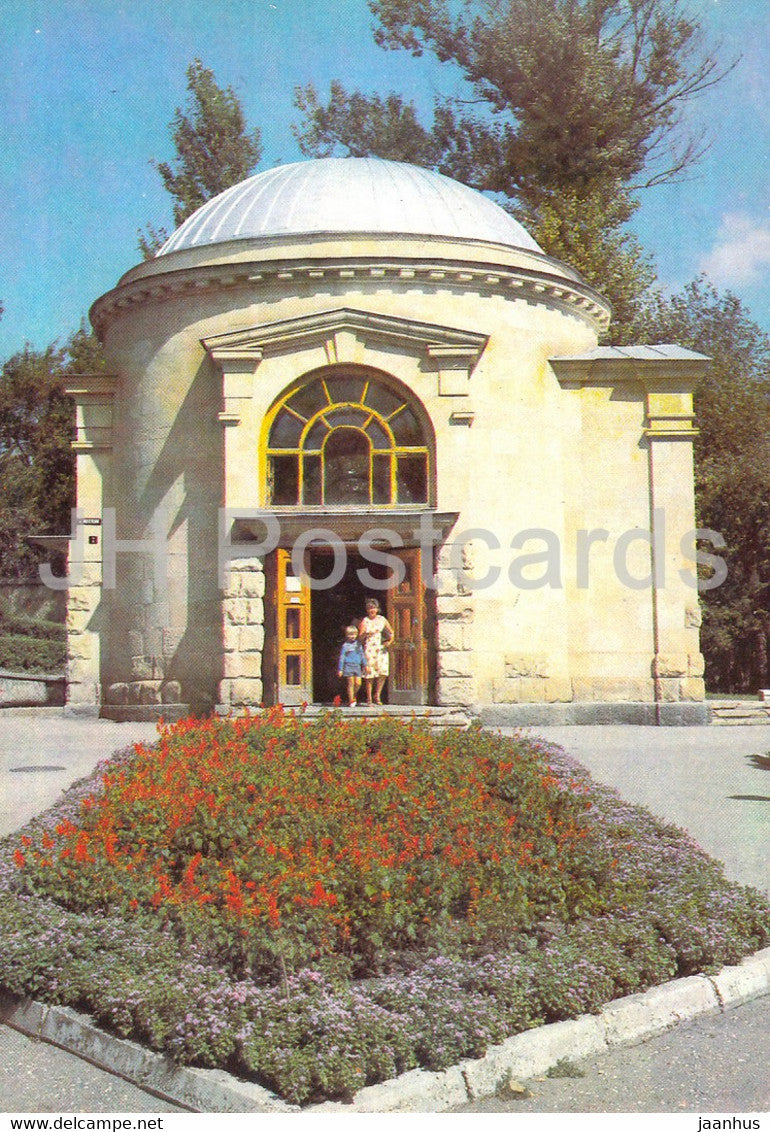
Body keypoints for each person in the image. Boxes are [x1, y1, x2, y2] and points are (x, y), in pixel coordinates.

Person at [358, 598, 393, 705]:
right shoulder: (365, 620)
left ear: (377, 609)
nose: (372, 610)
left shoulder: (382, 619)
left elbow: (391, 632)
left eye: (374, 608)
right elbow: (360, 637)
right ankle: (369, 698)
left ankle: (377, 696)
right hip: (369, 647)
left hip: (380, 648)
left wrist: (389, 642)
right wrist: (364, 634)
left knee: (382, 672)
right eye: (369, 608)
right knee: (369, 673)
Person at [337, 624, 366, 707]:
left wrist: (365, 664)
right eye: (350, 634)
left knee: (358, 683)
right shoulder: (345, 646)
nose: (352, 636)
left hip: (357, 665)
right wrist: (340, 669)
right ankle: (351, 700)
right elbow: (342, 657)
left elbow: (362, 654)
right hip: (348, 665)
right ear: (346, 635)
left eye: (354, 634)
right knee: (351, 683)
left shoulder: (358, 645)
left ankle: (353, 695)